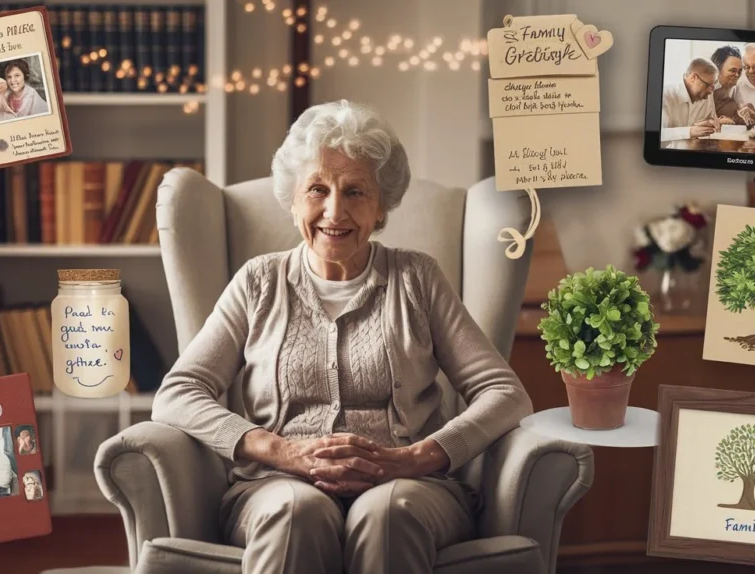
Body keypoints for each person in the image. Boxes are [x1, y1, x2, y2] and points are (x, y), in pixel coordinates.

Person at [151, 99, 534, 574]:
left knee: (389, 514)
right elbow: (177, 393)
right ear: (293, 201)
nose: (335, 211)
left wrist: (413, 459)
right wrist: (280, 451)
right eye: (317, 189)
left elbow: (504, 394)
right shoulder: (258, 282)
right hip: (275, 486)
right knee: (297, 512)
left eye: (356, 192)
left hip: (412, 489)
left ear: (381, 210)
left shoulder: (417, 278)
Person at [660, 57, 721, 141]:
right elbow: (659, 133)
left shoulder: (706, 95)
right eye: (708, 85)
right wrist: (690, 131)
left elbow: (711, 119)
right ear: (693, 77)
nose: (711, 90)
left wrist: (711, 124)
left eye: (714, 84)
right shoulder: (664, 95)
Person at [710, 45, 744, 124]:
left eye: (739, 71)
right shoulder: (705, 90)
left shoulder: (737, 90)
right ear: (717, 69)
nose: (737, 75)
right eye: (733, 70)